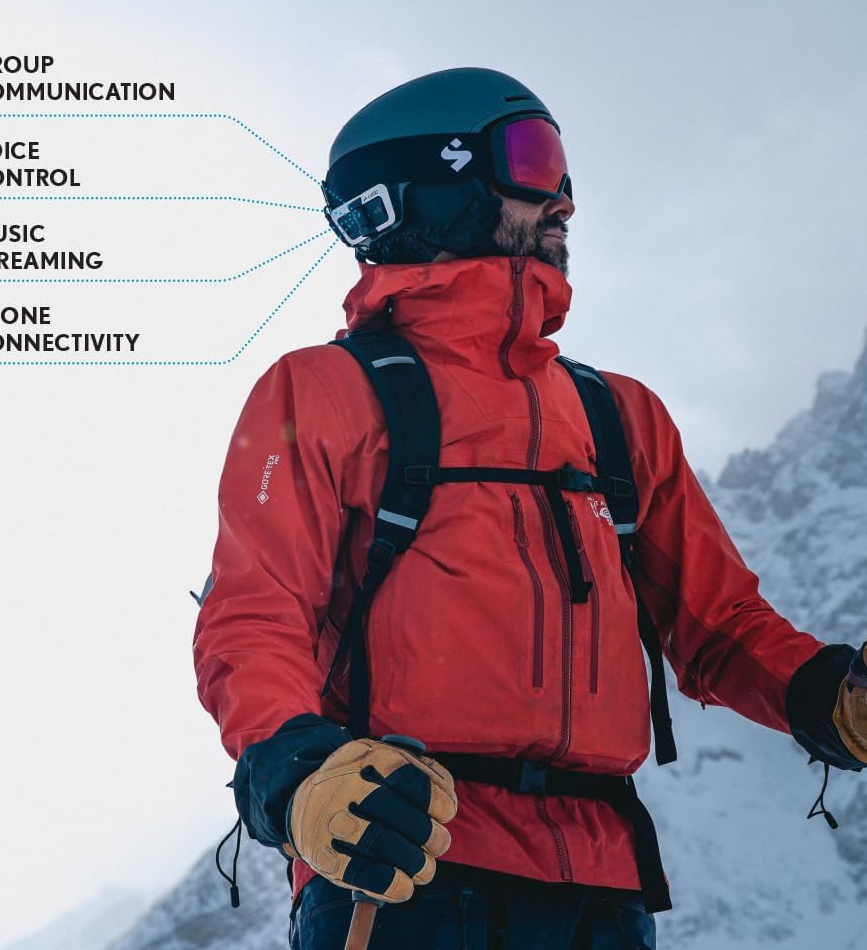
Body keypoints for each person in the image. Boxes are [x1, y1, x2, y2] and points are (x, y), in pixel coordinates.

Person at [192, 67, 867, 949]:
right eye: (533, 159)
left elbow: (720, 626)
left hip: (603, 889)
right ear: (436, 187)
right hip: (404, 868)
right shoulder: (322, 391)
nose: (565, 200)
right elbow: (255, 615)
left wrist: (832, 696)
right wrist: (300, 772)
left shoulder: (619, 415)